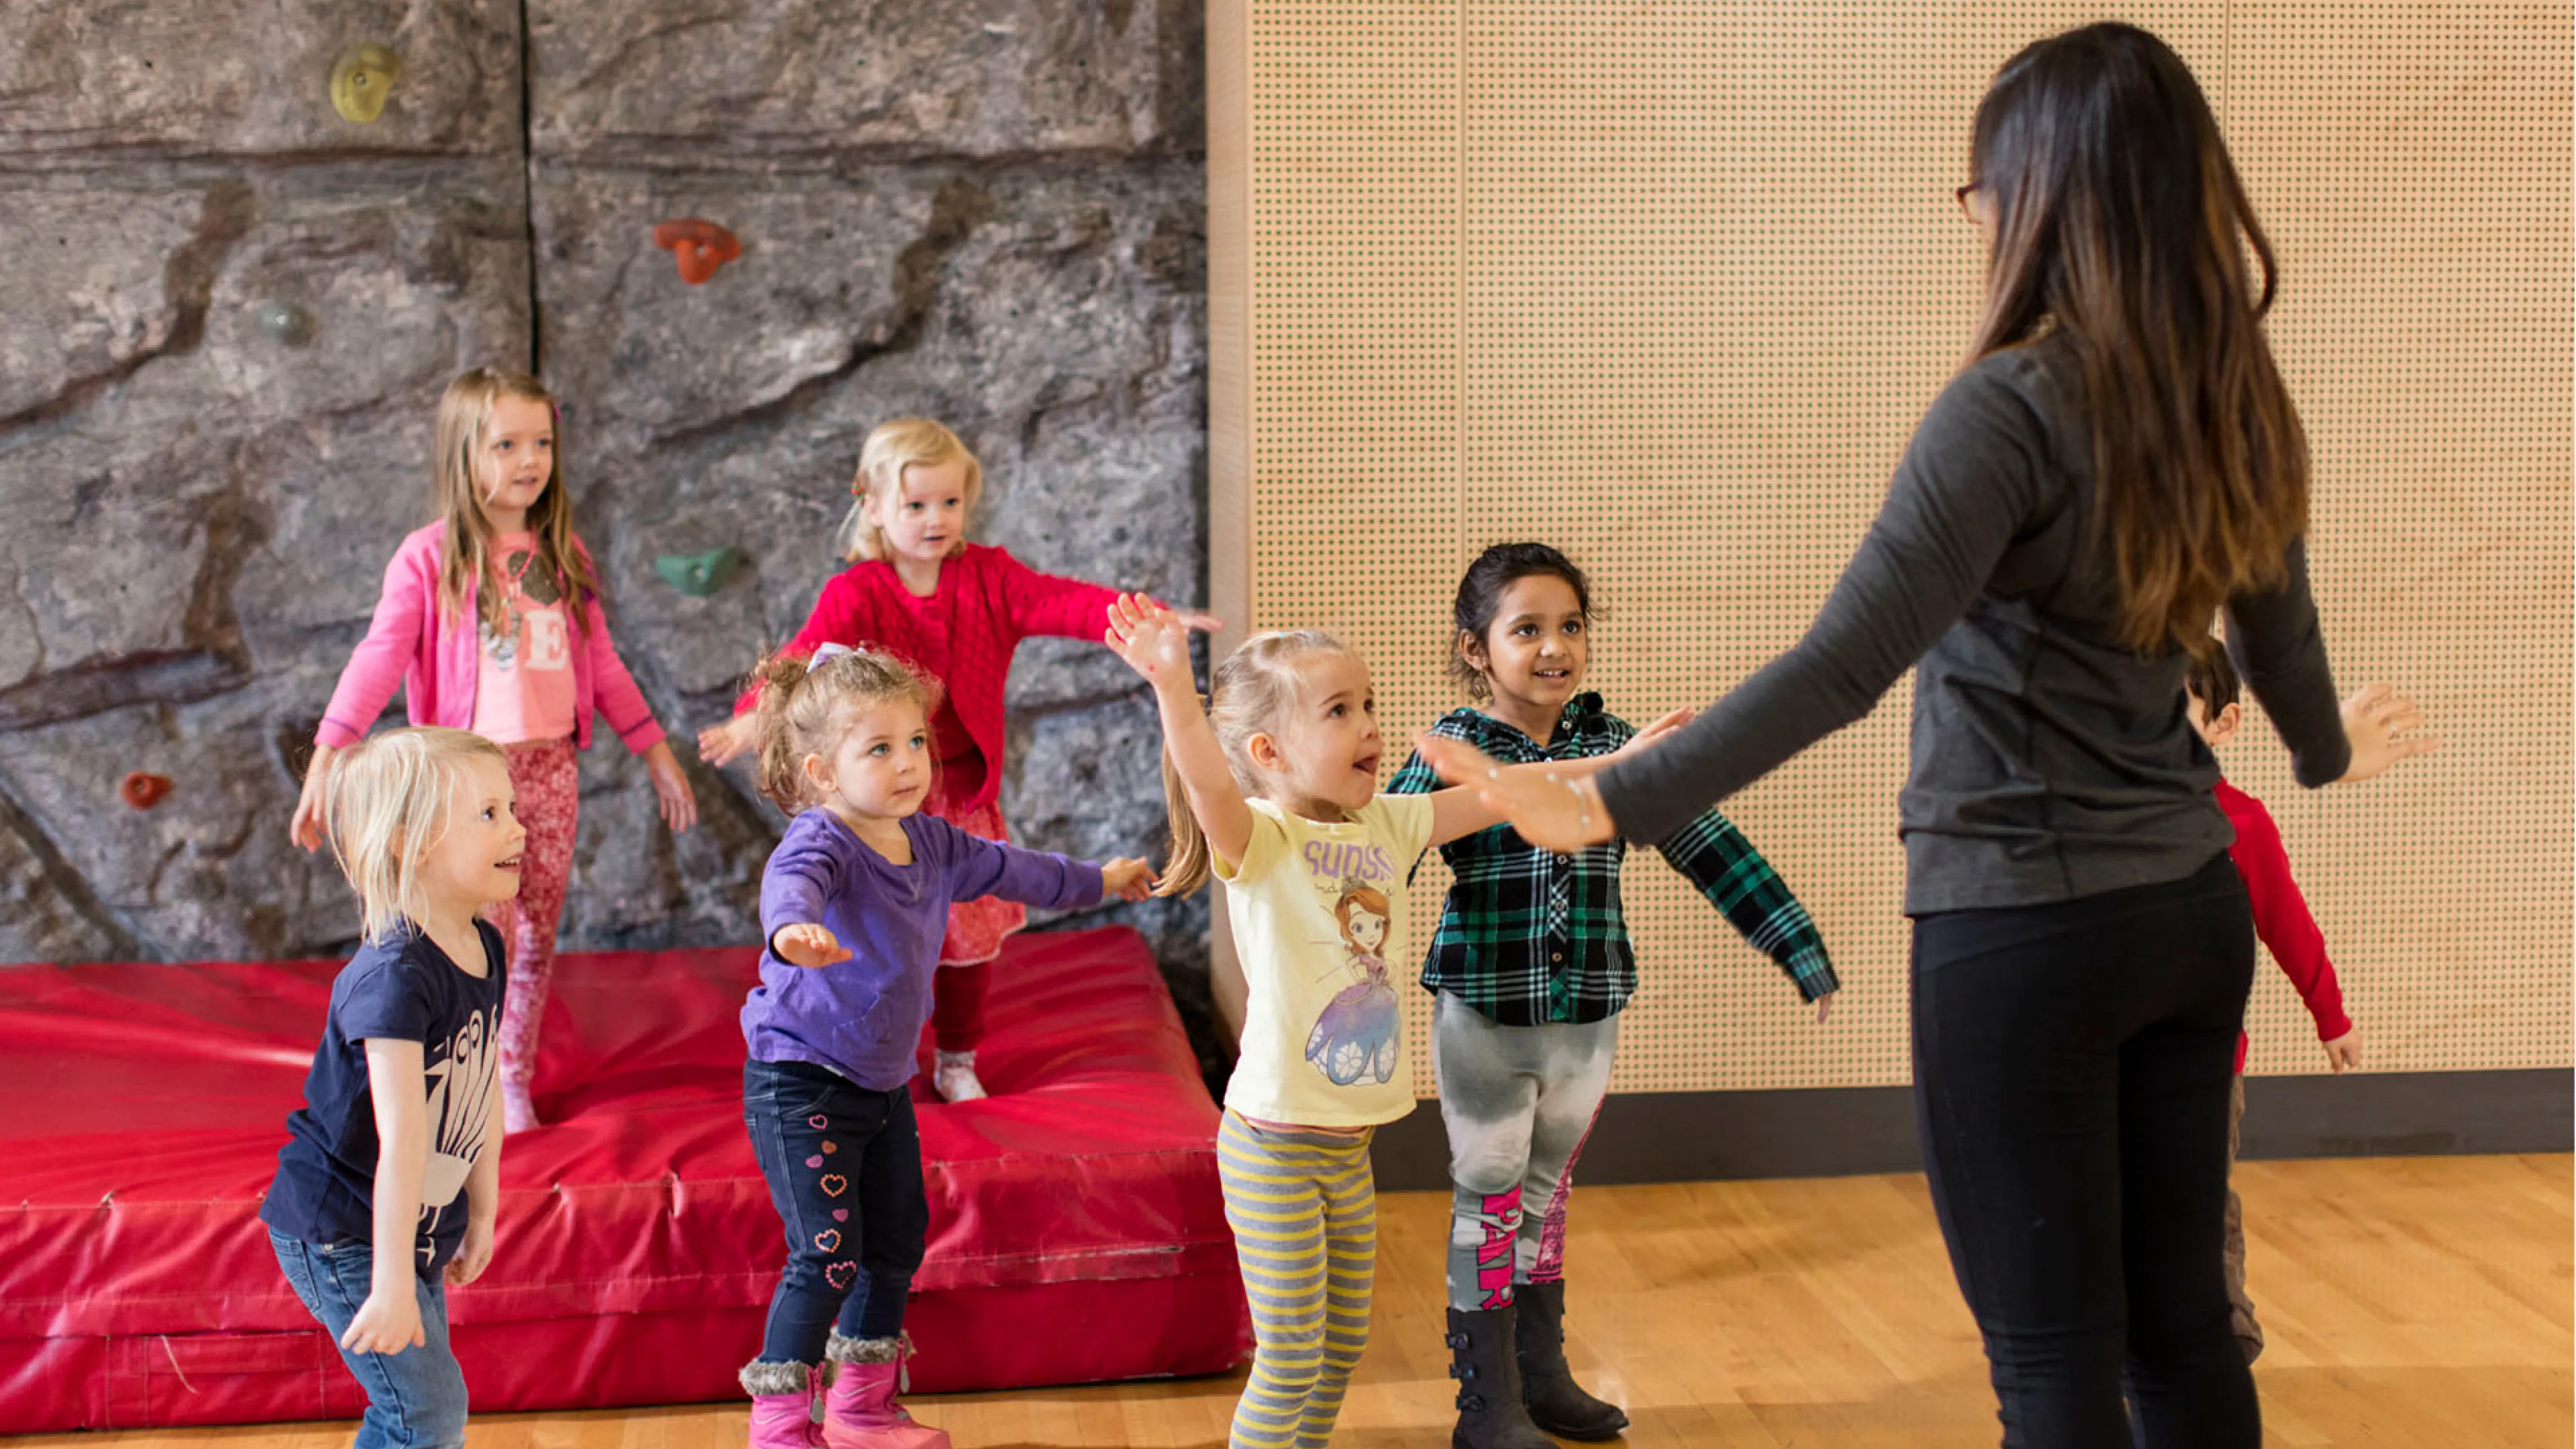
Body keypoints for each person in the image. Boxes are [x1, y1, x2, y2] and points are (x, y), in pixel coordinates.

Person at [1413, 23, 2438, 1447]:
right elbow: (2288, 648)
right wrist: (2329, 755)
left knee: (2055, 1366)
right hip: (2189, 919)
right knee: (2185, 1339)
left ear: (2042, 194)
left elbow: (1843, 664)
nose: (1980, 221)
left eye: (1982, 189)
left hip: (2026, 936)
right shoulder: (2233, 394)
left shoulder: (2010, 407)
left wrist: (1608, 803)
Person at [1104, 596, 1644, 1449]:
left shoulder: (1388, 822)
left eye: (1368, 705)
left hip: (1347, 1148)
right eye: (1340, 712)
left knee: (1340, 1348)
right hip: (1271, 1147)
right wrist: (1173, 682)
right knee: (1288, 1358)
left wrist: (1628, 762)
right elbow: (1208, 782)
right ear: (1270, 753)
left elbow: (1508, 795)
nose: (1368, 726)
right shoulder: (1263, 840)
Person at [1389, 541, 1838, 1448]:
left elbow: (1712, 847)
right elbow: (1383, 850)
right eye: (1527, 630)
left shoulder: (1616, 745)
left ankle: (1542, 1380)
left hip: (1587, 1020)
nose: (1554, 647)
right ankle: (1487, 1405)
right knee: (1490, 1194)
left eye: (1570, 626)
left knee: (1546, 1197)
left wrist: (1795, 944)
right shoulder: (1458, 746)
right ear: (1477, 648)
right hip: (1482, 1015)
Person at [700, 418, 1215, 1103]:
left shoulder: (989, 579)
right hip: (878, 800)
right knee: (880, 935)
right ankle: (864, 1047)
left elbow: (1064, 602)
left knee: (971, 938)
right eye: (916, 505)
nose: (936, 518)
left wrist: (1142, 619)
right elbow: (801, 658)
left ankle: (957, 1057)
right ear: (875, 507)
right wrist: (749, 721)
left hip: (958, 796)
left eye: (950, 502)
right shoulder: (858, 592)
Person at [731, 641, 1155, 1446]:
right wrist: (792, 931)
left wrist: (1100, 878)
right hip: (800, 1081)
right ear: (823, 771)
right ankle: (780, 1426)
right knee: (826, 1253)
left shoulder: (931, 843)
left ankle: (861, 1408)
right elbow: (790, 887)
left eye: (916, 742)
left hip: (883, 1085)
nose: (908, 763)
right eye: (879, 749)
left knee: (895, 1243)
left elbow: (1016, 869)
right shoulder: (822, 841)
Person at [293, 367, 697, 1131]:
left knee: (537, 930)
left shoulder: (560, 552)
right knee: (474, 928)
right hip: (468, 774)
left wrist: (654, 751)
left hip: (549, 770)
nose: (529, 459)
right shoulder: (432, 557)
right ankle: (447, 1074)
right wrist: (330, 750)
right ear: (465, 455)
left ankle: (510, 1075)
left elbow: (600, 662)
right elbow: (380, 655)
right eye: (506, 443)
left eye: (541, 441)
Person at [262, 727, 521, 1448]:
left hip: (411, 1221)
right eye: (489, 814)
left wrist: (482, 1211)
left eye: (512, 808)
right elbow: (403, 1138)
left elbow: (478, 1087)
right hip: (344, 1227)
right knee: (427, 1414)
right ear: (412, 844)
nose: (518, 829)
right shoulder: (394, 978)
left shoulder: (482, 944)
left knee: (428, 1410)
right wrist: (391, 1282)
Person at [2184, 637, 2363, 1362]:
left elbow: (2287, 923)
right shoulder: (2097, 821)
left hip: (2205, 1069)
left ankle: (2224, 1327)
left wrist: (2332, 1015)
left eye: (2170, 711)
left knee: (2199, 1200)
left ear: (2223, 724)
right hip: (2108, 1064)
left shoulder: (2244, 825)